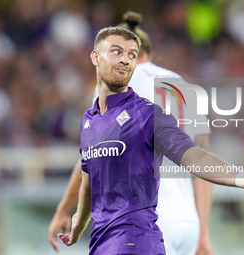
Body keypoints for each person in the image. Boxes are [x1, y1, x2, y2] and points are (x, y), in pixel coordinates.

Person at [57, 26, 244, 254]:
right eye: (117, 52)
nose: (126, 60)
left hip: (136, 243)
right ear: (95, 57)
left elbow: (195, 156)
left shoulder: (146, 114)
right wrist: (78, 227)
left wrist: (242, 178)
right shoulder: (90, 120)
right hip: (102, 245)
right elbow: (90, 181)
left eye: (132, 55)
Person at [49, 11, 213, 255]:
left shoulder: (116, 85)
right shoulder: (183, 86)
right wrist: (203, 232)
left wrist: (63, 209)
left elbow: (92, 158)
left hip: (145, 222)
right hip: (187, 221)